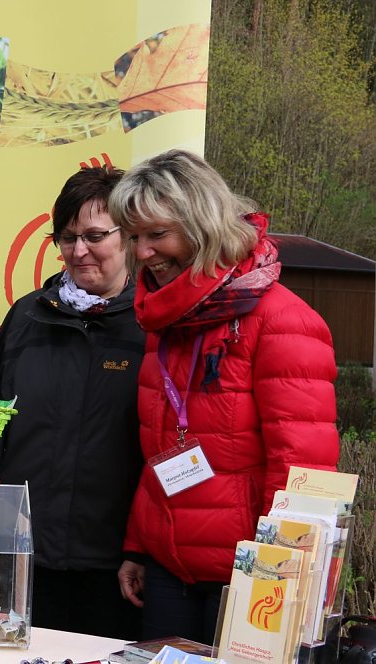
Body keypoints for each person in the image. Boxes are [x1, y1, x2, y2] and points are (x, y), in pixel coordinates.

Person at [108, 149, 339, 642]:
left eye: (157, 235)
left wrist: (278, 577)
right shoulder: (167, 321)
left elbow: (304, 470)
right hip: (170, 568)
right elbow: (161, 449)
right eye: (133, 237)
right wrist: (139, 546)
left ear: (202, 225)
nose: (142, 252)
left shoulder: (282, 321)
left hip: (250, 575)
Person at [0, 166, 145, 639]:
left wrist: (143, 547)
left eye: (93, 236)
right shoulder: (27, 315)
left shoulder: (152, 324)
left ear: (127, 236)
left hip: (113, 559)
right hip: (26, 549)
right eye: (66, 238)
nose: (79, 251)